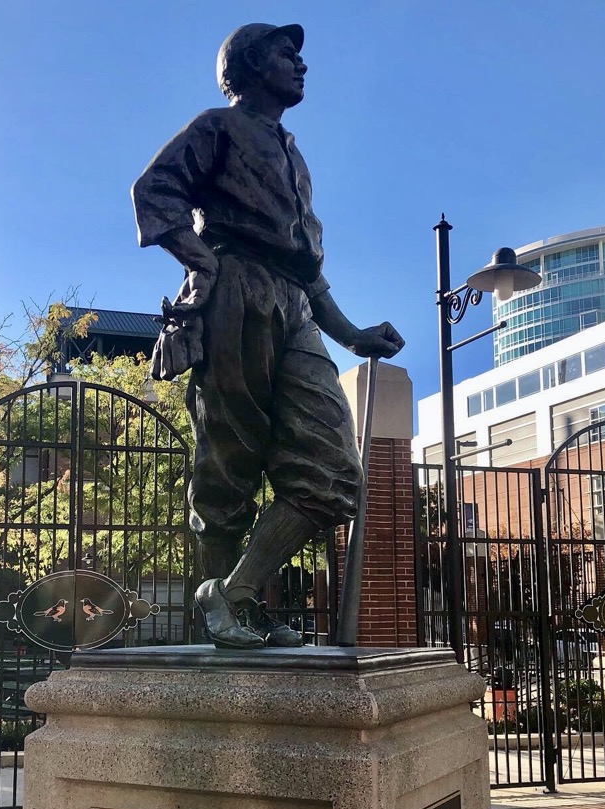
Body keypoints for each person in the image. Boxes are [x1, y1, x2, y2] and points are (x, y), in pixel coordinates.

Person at [132, 23, 403, 649]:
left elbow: (306, 265)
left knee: (334, 471)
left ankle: (234, 592)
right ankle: (233, 617)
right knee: (230, 461)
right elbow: (154, 191)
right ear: (252, 65)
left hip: (293, 306)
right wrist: (202, 265)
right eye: (287, 54)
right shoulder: (218, 127)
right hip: (236, 293)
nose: (301, 65)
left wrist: (353, 336)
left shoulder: (294, 155)